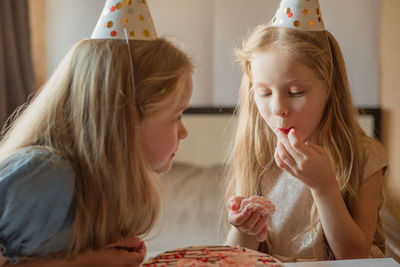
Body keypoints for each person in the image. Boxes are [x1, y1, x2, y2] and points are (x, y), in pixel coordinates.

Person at [0, 1, 193, 265]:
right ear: (123, 119)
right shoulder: (45, 177)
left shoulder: (107, 187)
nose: (183, 132)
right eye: (176, 116)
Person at [225, 0, 388, 262]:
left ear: (329, 89)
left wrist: (324, 187)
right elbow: (235, 256)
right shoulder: (256, 152)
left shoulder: (365, 157)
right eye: (264, 93)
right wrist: (242, 228)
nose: (278, 108)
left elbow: (355, 255)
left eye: (295, 92)